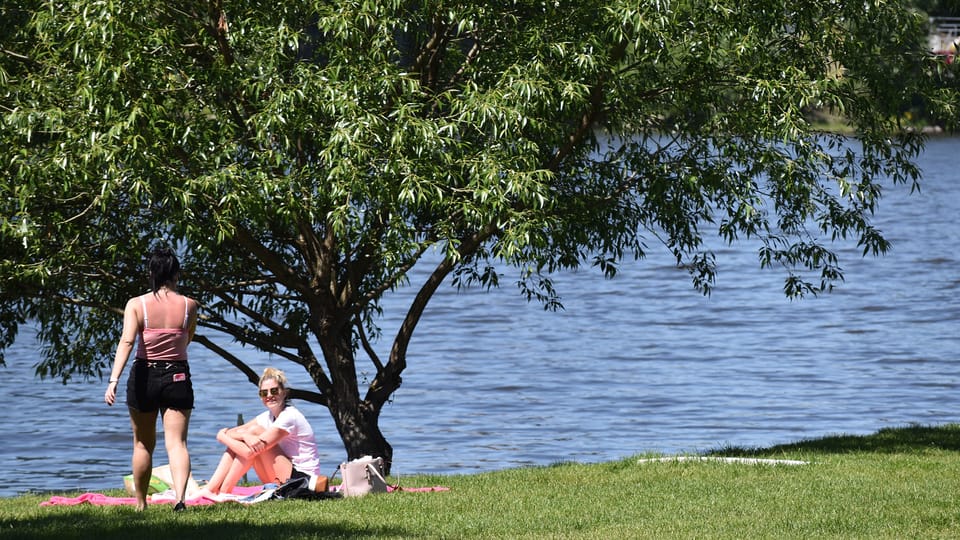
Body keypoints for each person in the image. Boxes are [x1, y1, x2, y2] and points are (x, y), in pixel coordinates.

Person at [104, 246, 199, 512]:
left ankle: (141, 504)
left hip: (145, 374)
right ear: (176, 273)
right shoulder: (190, 305)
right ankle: (180, 500)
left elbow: (126, 342)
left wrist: (113, 380)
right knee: (177, 442)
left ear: (151, 273)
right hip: (178, 374)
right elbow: (187, 338)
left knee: (143, 443)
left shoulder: (137, 305)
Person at [197, 367, 322, 499]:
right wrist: (242, 436)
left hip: (302, 481)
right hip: (282, 477)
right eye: (264, 393)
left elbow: (249, 452)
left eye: (274, 391)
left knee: (254, 433)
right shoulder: (267, 416)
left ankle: (221, 490)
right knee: (248, 435)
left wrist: (222, 436)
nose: (269, 396)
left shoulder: (289, 416)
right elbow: (235, 432)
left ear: (284, 393)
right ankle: (214, 488)